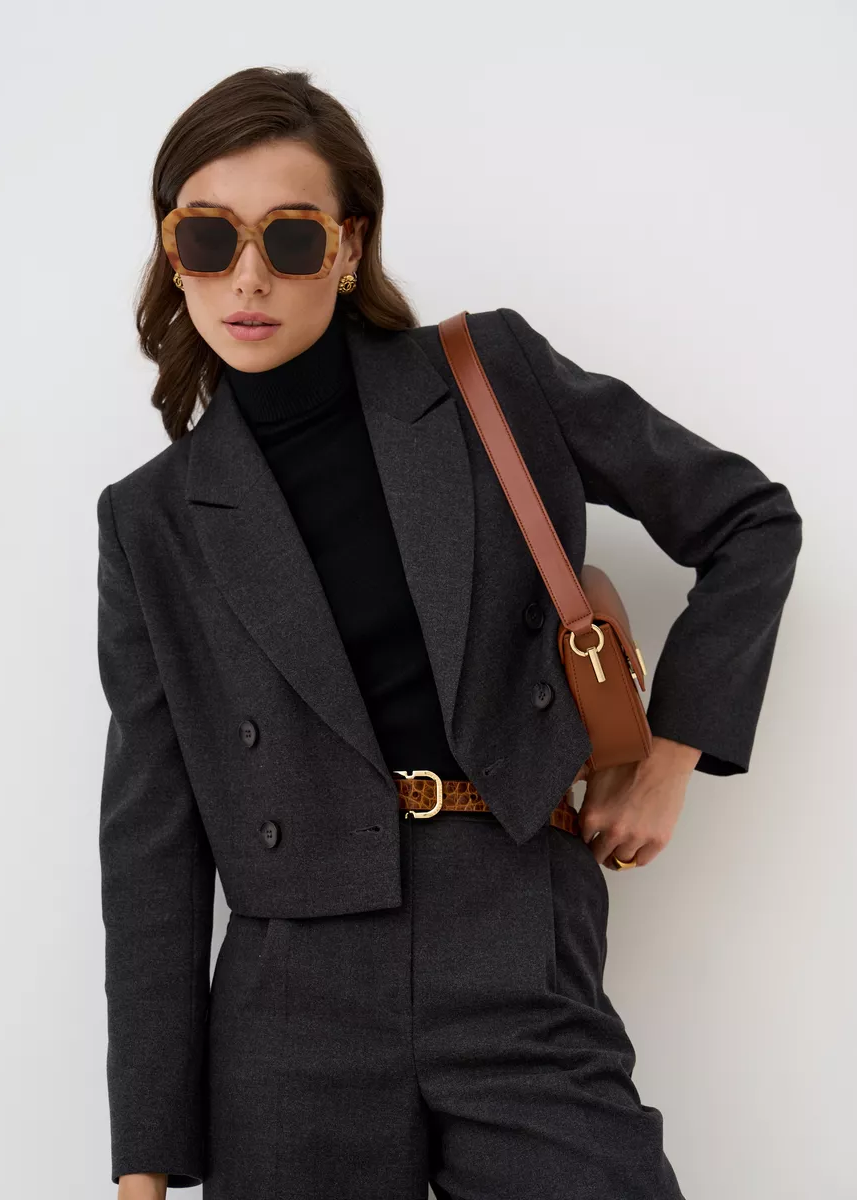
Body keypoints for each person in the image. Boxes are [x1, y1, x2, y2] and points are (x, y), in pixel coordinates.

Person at [95, 67, 803, 1200]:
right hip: (291, 1001)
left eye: (289, 237)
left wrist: (673, 755)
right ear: (172, 250)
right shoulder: (152, 520)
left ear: (346, 246)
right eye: (208, 237)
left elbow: (749, 522)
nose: (246, 278)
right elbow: (151, 841)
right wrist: (144, 1162)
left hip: (515, 931)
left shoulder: (488, 378)